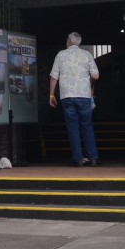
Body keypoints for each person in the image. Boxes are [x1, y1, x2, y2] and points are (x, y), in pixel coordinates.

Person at [48, 31, 100, 167]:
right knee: (87, 125)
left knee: (73, 127)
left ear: (69, 41)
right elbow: (95, 76)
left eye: (67, 39)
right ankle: (93, 157)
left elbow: (54, 76)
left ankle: (78, 159)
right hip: (84, 96)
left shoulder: (61, 55)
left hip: (67, 96)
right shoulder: (87, 55)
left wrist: (51, 95)